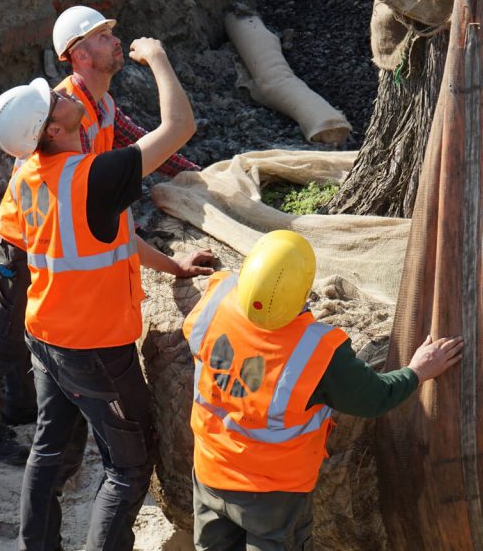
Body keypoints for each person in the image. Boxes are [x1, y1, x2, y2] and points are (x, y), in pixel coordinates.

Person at [0, 36, 214, 551]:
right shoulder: (93, 175)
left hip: (46, 335)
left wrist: (172, 264)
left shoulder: (28, 175)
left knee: (50, 450)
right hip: (94, 348)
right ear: (54, 129)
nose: (64, 92)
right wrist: (156, 57)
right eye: (55, 100)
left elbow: (107, 234)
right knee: (130, 466)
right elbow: (180, 129)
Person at [0, 5, 201, 466]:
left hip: (52, 230)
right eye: (103, 34)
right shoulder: (61, 115)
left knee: (33, 331)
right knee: (6, 332)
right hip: (23, 236)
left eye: (112, 30)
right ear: (78, 54)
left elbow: (142, 146)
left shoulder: (100, 104)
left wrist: (196, 176)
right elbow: (102, 189)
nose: (115, 38)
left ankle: (20, 407)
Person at [182, 230, 463, 551]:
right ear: (304, 292)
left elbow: (196, 339)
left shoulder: (218, 296)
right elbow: (375, 398)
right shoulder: (315, 352)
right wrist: (417, 371)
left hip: (208, 471)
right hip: (271, 497)